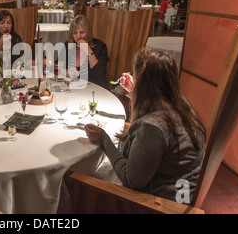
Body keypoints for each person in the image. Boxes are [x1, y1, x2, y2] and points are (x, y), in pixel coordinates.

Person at [84, 48, 206, 202]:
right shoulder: (182, 107)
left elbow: (132, 180)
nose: (133, 77)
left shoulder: (152, 128)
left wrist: (103, 139)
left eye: (136, 75)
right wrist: (134, 90)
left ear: (145, 84)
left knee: (83, 174)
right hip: (182, 193)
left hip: (161, 204)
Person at [59, 15, 109, 89]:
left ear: (88, 32)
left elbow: (99, 74)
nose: (79, 36)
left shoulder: (100, 47)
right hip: (73, 90)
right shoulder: (68, 46)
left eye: (82, 32)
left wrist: (88, 50)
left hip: (96, 91)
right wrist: (67, 72)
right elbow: (58, 69)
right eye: (75, 33)